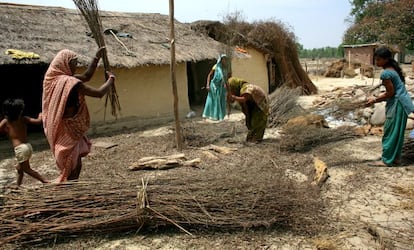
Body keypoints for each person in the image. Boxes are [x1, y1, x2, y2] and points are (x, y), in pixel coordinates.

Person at [42, 47, 115, 183]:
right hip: (69, 130)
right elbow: (98, 93)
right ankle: (70, 194)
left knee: (75, 163)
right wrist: (111, 80)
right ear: (65, 64)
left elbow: (86, 76)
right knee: (73, 165)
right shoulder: (70, 83)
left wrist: (96, 58)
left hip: (62, 127)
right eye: (73, 64)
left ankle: (72, 190)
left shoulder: (54, 79)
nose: (76, 67)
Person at [367, 46, 414, 167]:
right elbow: (393, 90)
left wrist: (375, 99)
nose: (376, 62)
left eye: (378, 60)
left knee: (389, 132)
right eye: (375, 59)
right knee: (397, 132)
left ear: (386, 59)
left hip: (397, 105)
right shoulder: (394, 69)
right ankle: (396, 159)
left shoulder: (386, 73)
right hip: (404, 103)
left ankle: (386, 160)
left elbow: (390, 93)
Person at [0, 99, 48, 186]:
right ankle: (18, 186)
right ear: (20, 111)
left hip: (20, 149)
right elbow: (38, 122)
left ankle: (44, 181)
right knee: (19, 168)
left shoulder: (6, 121)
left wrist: (6, 130)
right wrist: (41, 116)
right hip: (27, 146)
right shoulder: (24, 119)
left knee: (26, 169)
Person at [228, 77, 269, 143]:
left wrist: (233, 97)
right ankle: (252, 138)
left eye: (231, 88)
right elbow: (244, 105)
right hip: (252, 105)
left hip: (259, 106)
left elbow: (244, 98)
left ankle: (256, 139)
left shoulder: (246, 88)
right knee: (250, 123)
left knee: (257, 122)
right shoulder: (240, 91)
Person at [202, 54, 230, 121]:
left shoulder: (225, 69)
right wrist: (208, 85)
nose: (224, 60)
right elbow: (209, 75)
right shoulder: (216, 67)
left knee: (221, 101)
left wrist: (227, 86)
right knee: (213, 101)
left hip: (221, 87)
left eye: (225, 59)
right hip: (214, 86)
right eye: (223, 59)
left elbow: (225, 78)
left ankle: (220, 116)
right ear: (220, 60)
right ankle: (212, 115)